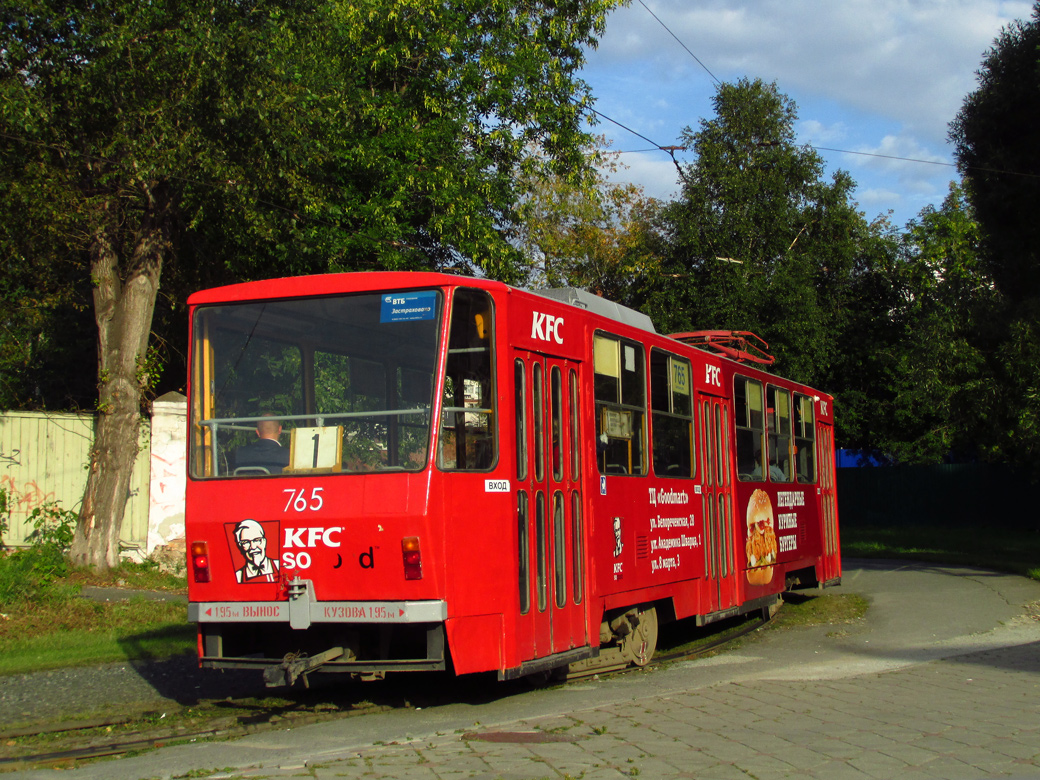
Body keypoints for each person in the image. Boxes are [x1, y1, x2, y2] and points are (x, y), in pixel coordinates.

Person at [233, 518, 280, 583]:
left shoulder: (279, 566)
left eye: (257, 540)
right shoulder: (238, 576)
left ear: (264, 542)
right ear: (240, 546)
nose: (253, 547)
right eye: (246, 542)